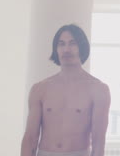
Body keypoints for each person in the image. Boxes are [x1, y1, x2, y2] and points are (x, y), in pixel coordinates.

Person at [21, 24, 111, 156]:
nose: (66, 49)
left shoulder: (98, 89)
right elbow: (30, 138)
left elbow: (98, 142)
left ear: (82, 46)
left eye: (72, 43)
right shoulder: (40, 89)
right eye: (61, 44)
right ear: (56, 49)